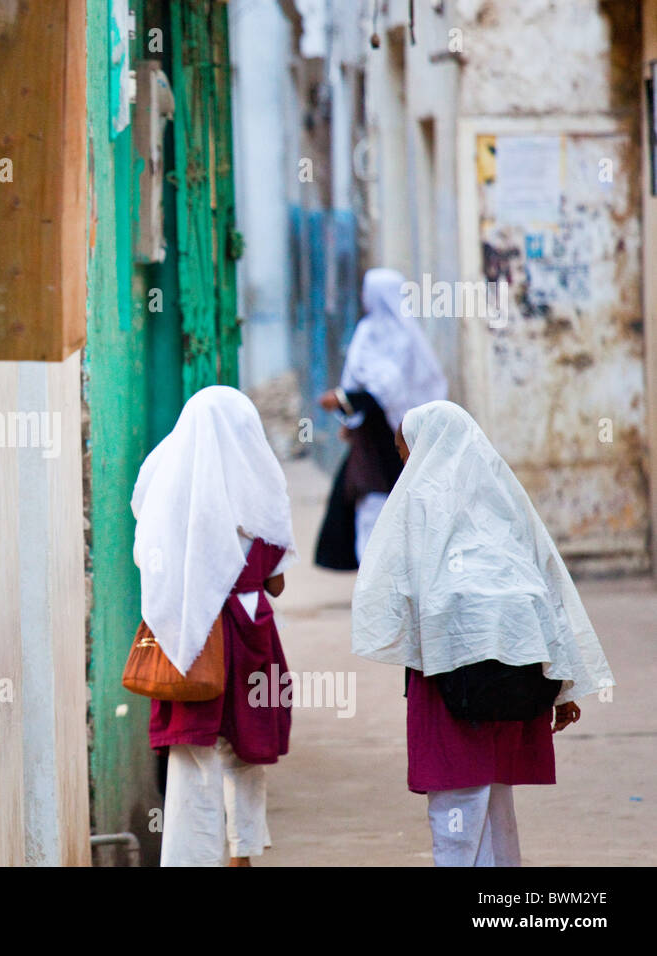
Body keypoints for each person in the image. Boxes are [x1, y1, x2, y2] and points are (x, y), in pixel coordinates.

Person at [351, 401, 615, 867]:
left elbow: (393, 590)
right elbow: (548, 589)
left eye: (405, 449)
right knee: (494, 800)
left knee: (456, 800)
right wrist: (562, 683)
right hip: (513, 680)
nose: (404, 462)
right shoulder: (503, 497)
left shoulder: (418, 502)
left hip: (447, 677)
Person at [131, 386, 297, 866]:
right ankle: (242, 854)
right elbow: (278, 583)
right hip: (250, 634)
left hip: (191, 637)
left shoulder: (169, 491)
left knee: (192, 755)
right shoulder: (261, 490)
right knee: (245, 752)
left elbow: (148, 563)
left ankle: (190, 858)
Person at [314, 268, 447, 570]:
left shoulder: (404, 338)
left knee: (390, 500)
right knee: (367, 497)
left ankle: (388, 573)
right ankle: (374, 573)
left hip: (397, 434)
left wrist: (346, 401)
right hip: (371, 434)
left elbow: (392, 392)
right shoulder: (369, 331)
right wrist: (349, 413)